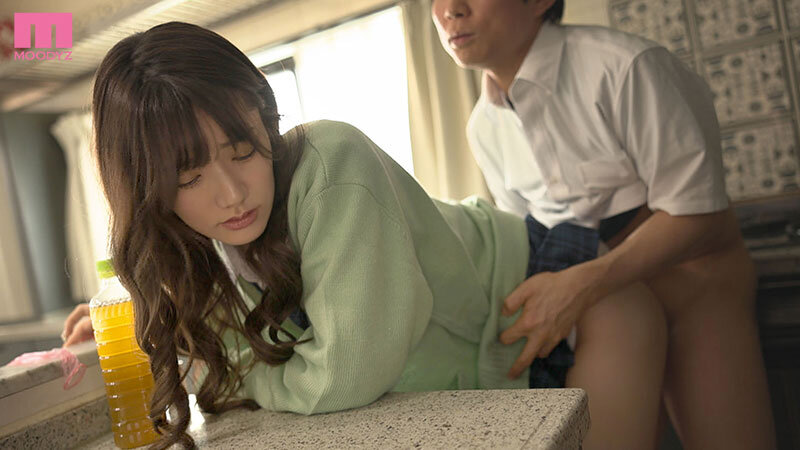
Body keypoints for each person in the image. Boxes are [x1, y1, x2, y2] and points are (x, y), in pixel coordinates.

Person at [62, 21, 667, 449]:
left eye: (242, 148)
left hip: (565, 298)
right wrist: (154, 316)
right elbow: (237, 362)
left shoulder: (329, 160)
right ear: (152, 192)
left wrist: (243, 374)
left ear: (263, 117)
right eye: (189, 176)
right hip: (485, 363)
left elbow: (344, 375)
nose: (232, 193)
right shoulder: (199, 249)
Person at [431, 0, 777, 449]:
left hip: (696, 288)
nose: (450, 10)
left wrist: (583, 285)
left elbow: (698, 214)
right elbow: (525, 235)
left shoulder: (624, 67)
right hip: (607, 310)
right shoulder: (484, 126)